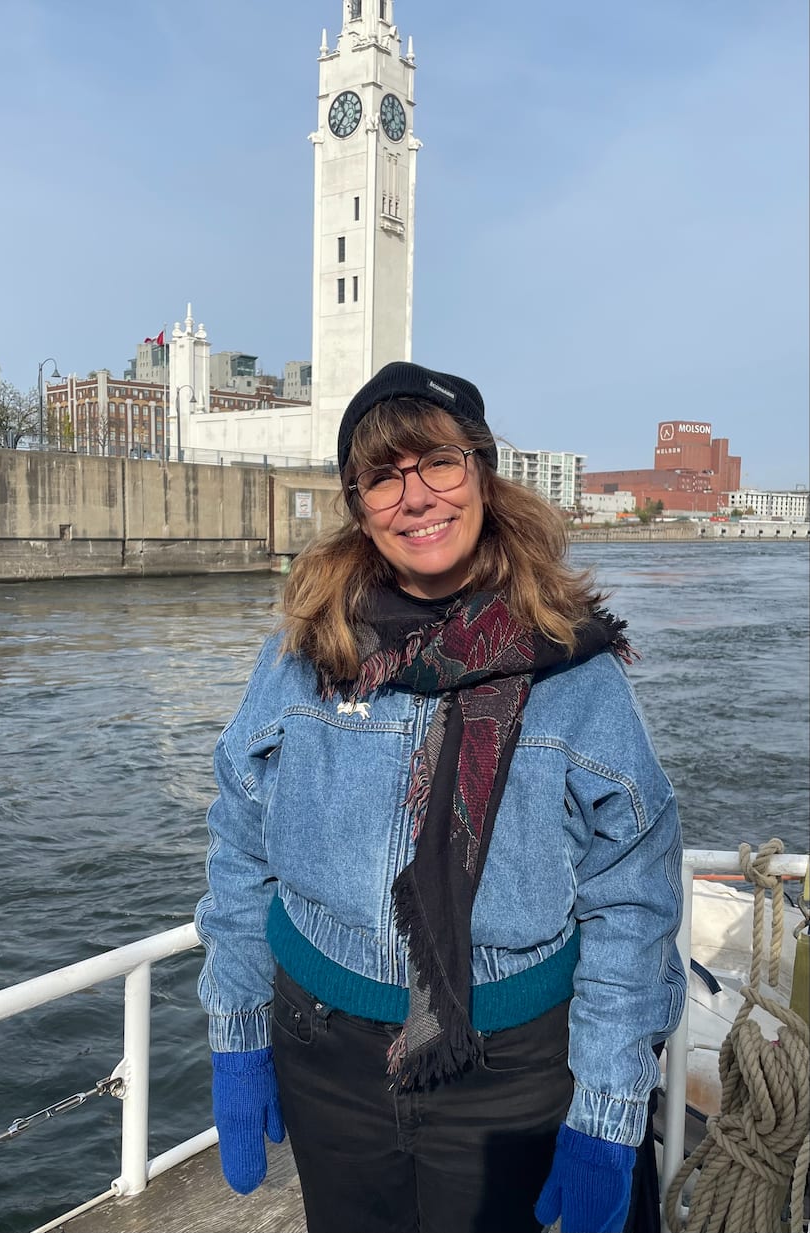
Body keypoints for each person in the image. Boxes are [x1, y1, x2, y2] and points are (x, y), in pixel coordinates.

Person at [195, 361, 685, 1233]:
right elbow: (242, 839)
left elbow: (633, 894)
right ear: (358, 504)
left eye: (438, 463)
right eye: (382, 475)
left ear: (482, 475)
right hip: (324, 1056)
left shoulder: (573, 671)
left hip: (511, 1071)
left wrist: (607, 1111)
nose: (414, 495)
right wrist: (237, 1028)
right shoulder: (305, 651)